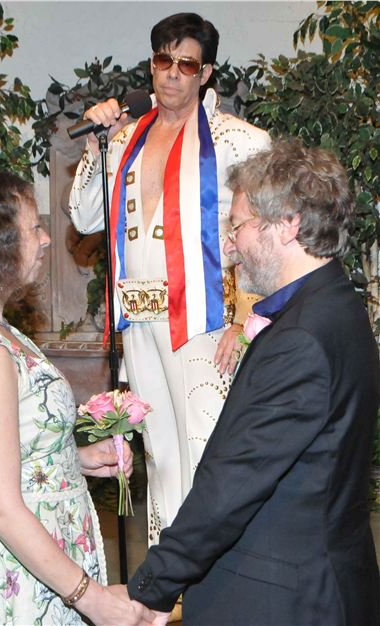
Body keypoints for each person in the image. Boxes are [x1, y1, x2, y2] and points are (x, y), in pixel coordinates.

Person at [124, 140, 380, 625]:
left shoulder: (301, 338)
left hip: (284, 600)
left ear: (287, 225)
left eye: (238, 225)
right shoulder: (339, 307)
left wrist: (154, 586)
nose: (229, 244)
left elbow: (234, 483)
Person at [0, 167, 155, 626]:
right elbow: (1, 507)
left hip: (28, 567)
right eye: (35, 227)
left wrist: (72, 457)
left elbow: (0, 447)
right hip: (12, 582)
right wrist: (92, 599)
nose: (46, 240)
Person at [68, 12, 270, 544]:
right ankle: (172, 579)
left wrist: (249, 318)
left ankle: (217, 577)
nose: (172, 73)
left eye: (186, 63)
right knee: (159, 452)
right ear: (152, 64)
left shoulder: (239, 140)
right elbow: (85, 219)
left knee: (204, 448)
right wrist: (97, 146)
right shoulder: (126, 138)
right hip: (139, 316)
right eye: (163, 60)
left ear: (205, 74)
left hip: (205, 319)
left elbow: (272, 234)